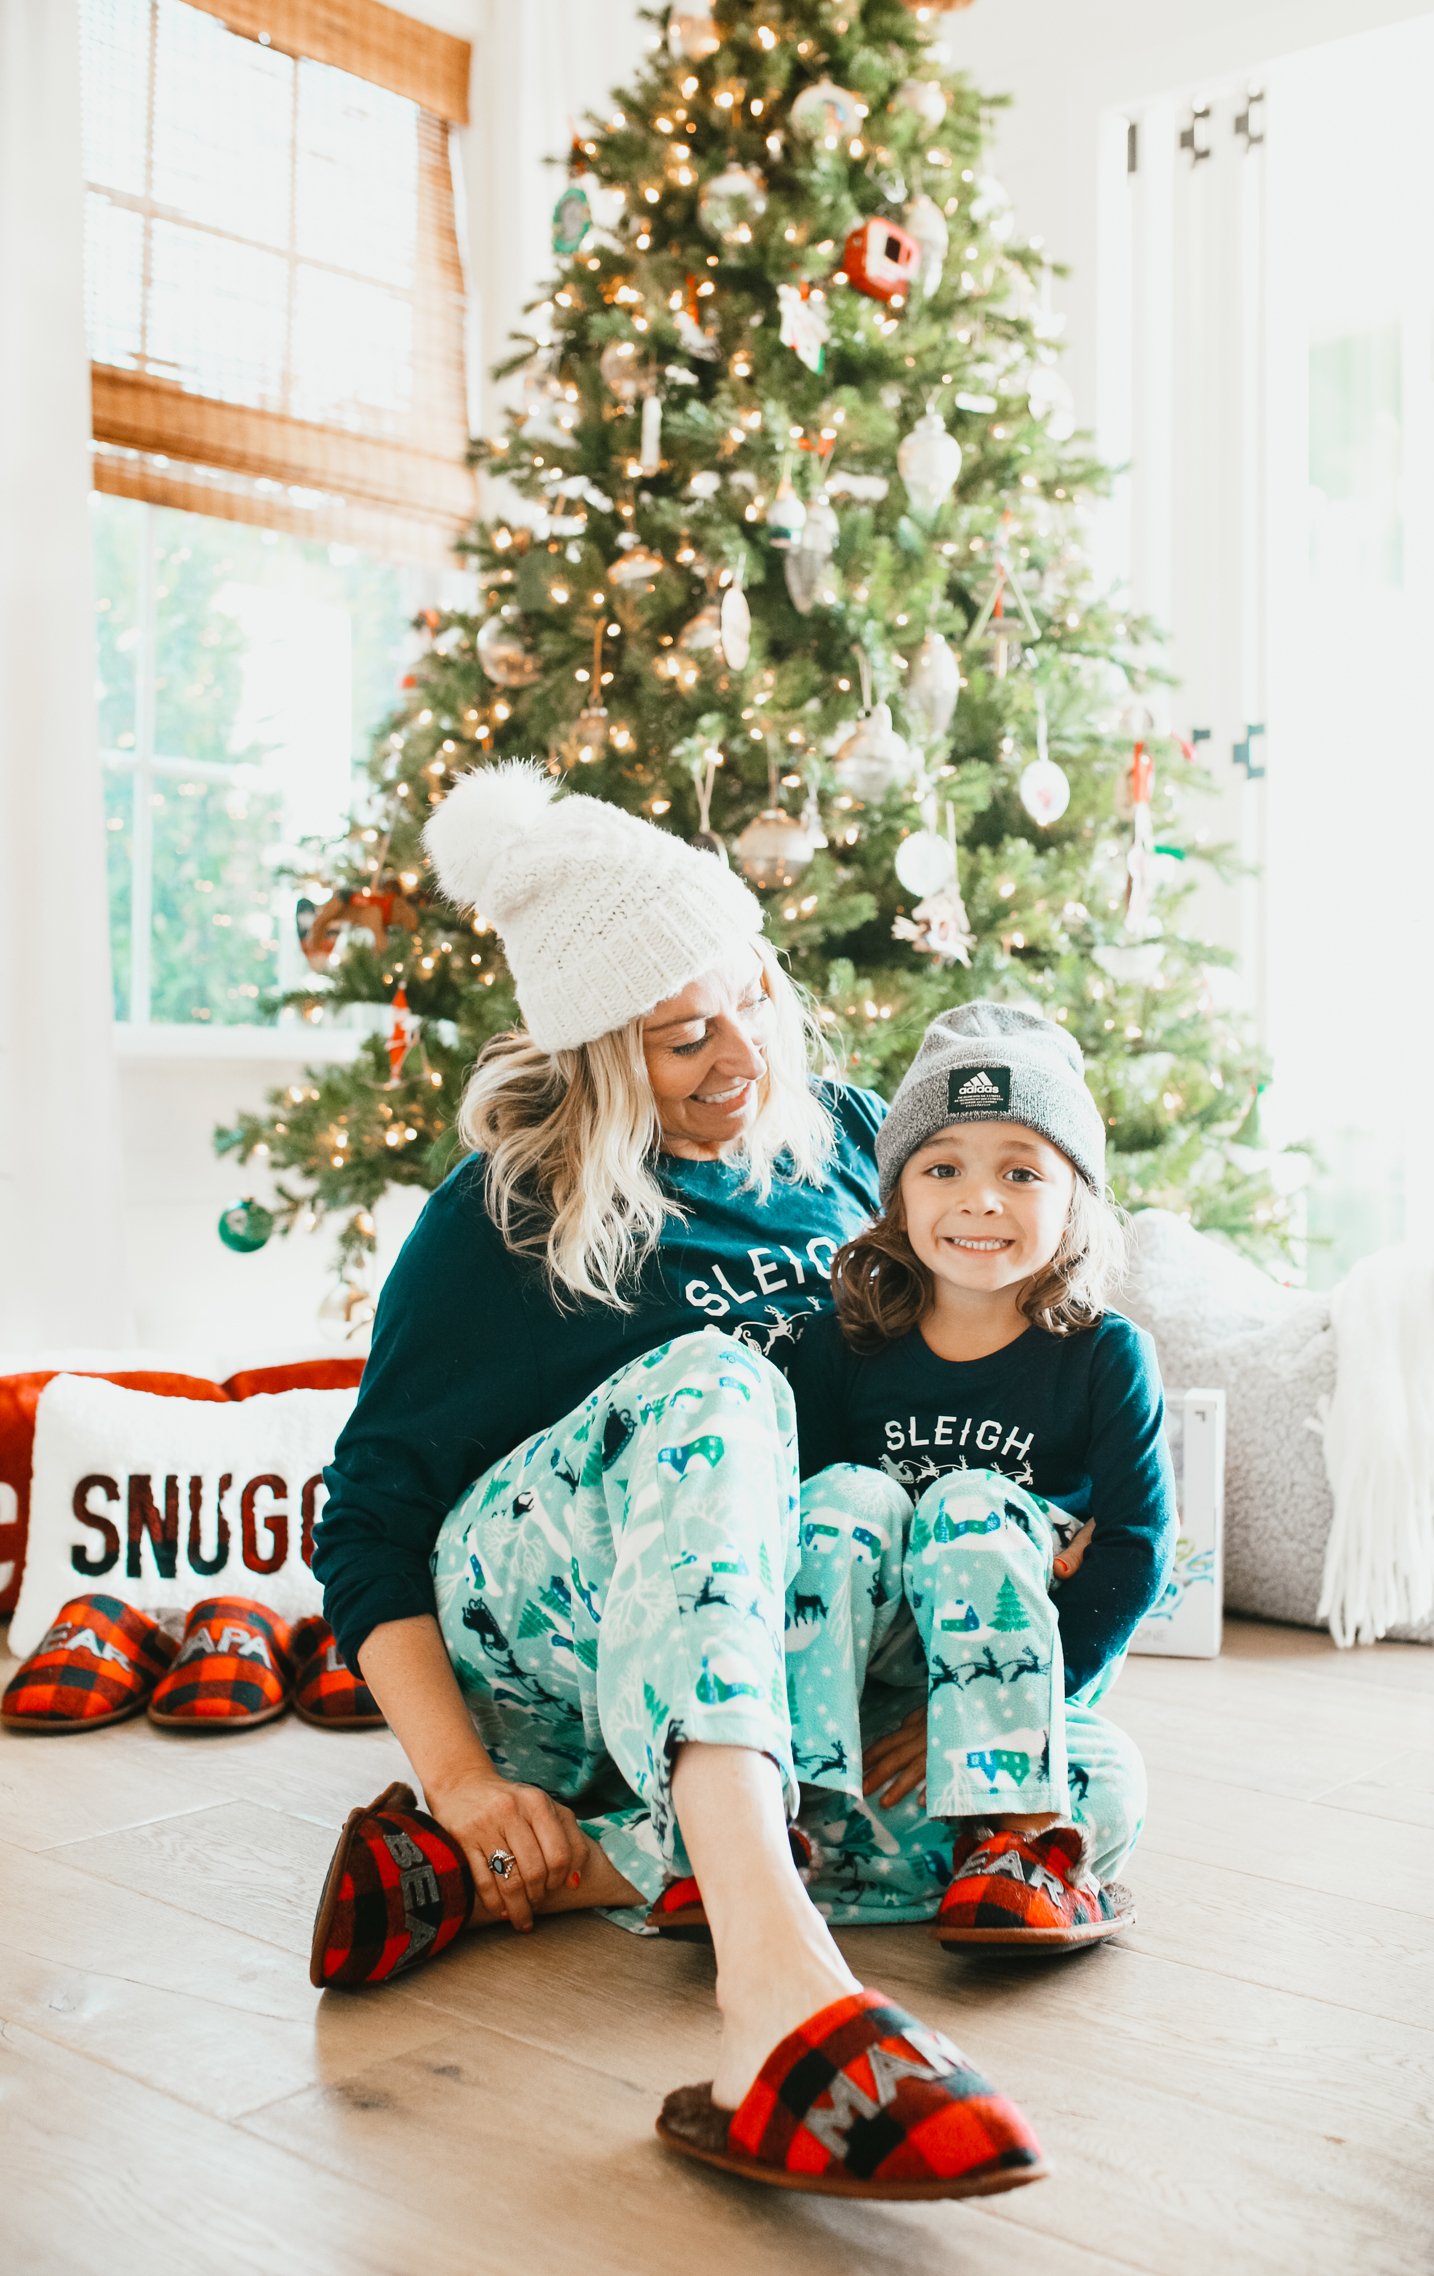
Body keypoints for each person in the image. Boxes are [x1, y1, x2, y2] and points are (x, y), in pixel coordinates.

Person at [307, 761, 1046, 2201]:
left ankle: (562, 1867)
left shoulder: (845, 1142)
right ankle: (773, 1994)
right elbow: (369, 1525)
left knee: (1068, 1795)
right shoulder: (507, 1214)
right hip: (549, 1634)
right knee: (723, 1385)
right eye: (679, 1038)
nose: (740, 1057)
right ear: (590, 1057)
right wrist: (457, 1779)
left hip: (768, 1648)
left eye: (752, 997)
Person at [781, 1003, 1175, 1948]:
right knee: (840, 1501)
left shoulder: (1105, 1356)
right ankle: (778, 1819)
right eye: (943, 1167)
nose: (980, 1198)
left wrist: (993, 1714)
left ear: (1073, 1196)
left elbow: (1132, 1549)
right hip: (846, 1687)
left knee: (1112, 1785)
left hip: (1018, 1671)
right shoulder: (835, 1349)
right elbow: (794, 1550)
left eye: (1021, 1171)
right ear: (898, 1194)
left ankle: (1005, 1838)